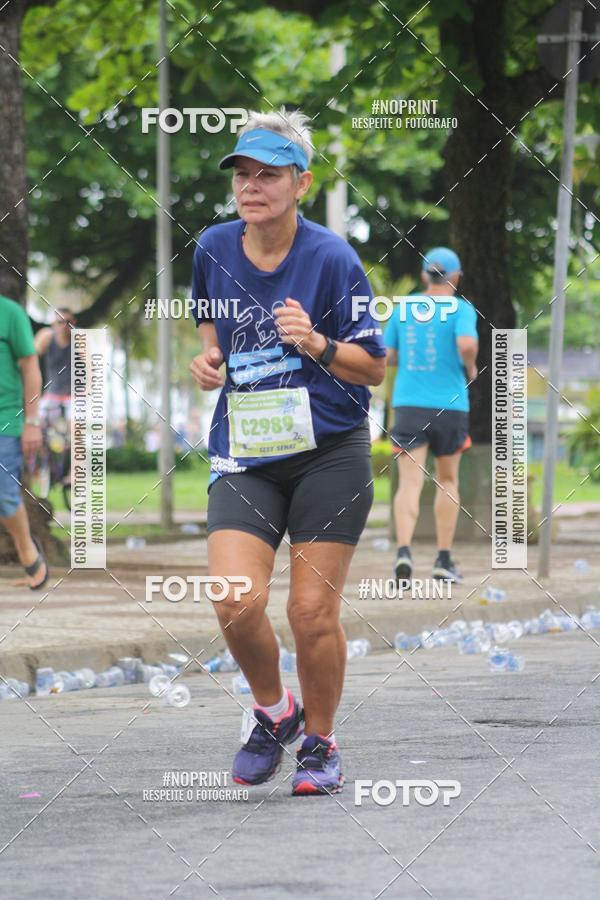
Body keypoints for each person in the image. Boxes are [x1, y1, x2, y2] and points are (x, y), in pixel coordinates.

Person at [189, 108, 385, 795]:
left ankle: (322, 743)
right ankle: (276, 709)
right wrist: (210, 359)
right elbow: (211, 322)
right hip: (247, 449)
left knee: (309, 611)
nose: (252, 185)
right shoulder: (213, 247)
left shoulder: (332, 258)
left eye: (268, 174)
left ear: (301, 183)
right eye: (243, 173)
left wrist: (318, 344)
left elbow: (372, 368)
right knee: (234, 600)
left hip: (329, 449)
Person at [384, 247, 479, 585]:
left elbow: (388, 354)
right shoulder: (460, 308)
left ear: (425, 275)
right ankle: (442, 559)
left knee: (409, 483)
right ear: (455, 277)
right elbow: (467, 345)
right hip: (450, 406)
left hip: (409, 404)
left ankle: (404, 553)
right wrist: (469, 367)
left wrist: (411, 359)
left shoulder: (404, 308)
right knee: (447, 480)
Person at [0, 294, 49, 589]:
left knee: (5, 496)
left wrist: (32, 421)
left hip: (6, 421)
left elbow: (30, 367)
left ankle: (26, 549)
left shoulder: (11, 313)